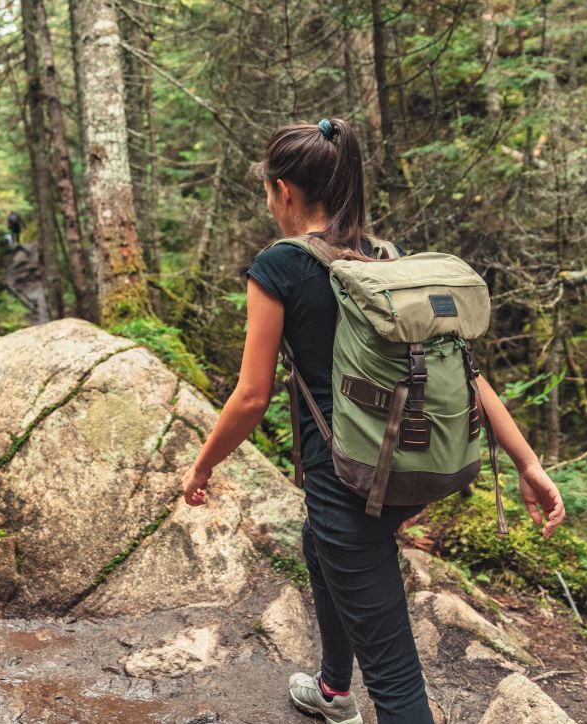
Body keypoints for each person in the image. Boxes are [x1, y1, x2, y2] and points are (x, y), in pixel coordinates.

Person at [180, 119, 566, 724]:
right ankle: (334, 691)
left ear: (283, 191)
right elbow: (467, 373)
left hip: (347, 482)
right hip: (404, 466)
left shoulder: (278, 267)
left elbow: (251, 398)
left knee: (396, 680)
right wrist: (528, 461)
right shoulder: (389, 260)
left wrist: (202, 465)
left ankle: (357, 694)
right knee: (316, 544)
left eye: (266, 190)